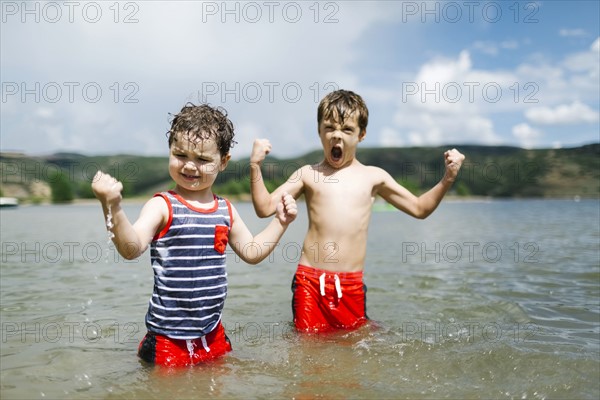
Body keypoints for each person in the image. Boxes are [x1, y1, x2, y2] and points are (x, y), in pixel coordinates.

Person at [92, 103, 297, 367]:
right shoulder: (162, 205)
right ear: (169, 151)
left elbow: (252, 251)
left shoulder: (225, 210)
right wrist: (112, 206)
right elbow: (131, 248)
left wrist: (281, 222)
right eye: (180, 155)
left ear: (223, 162)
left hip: (213, 336)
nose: (190, 166)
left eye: (202, 159)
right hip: (167, 341)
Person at [250, 90, 465, 333]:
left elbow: (419, 209)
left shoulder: (374, 177)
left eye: (347, 130)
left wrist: (448, 178)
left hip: (351, 285)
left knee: (354, 353)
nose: (336, 136)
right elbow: (264, 208)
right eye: (329, 128)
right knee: (307, 352)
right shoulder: (307, 174)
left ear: (361, 135)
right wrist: (255, 166)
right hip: (310, 282)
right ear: (319, 130)